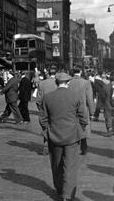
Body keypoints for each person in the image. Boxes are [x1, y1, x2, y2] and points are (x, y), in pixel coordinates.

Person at [40, 72, 88, 201]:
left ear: (56, 83)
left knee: (56, 164)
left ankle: (59, 189)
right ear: (69, 82)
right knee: (70, 166)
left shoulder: (48, 97)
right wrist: (80, 128)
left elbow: (43, 119)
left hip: (54, 136)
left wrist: (47, 131)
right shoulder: (76, 96)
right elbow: (83, 116)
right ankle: (67, 195)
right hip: (72, 136)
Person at [68, 68, 94, 155]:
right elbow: (89, 98)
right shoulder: (86, 82)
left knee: (72, 128)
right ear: (80, 72)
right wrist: (92, 112)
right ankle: (84, 148)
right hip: (83, 109)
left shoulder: (68, 82)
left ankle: (72, 148)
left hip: (71, 109)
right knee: (83, 128)